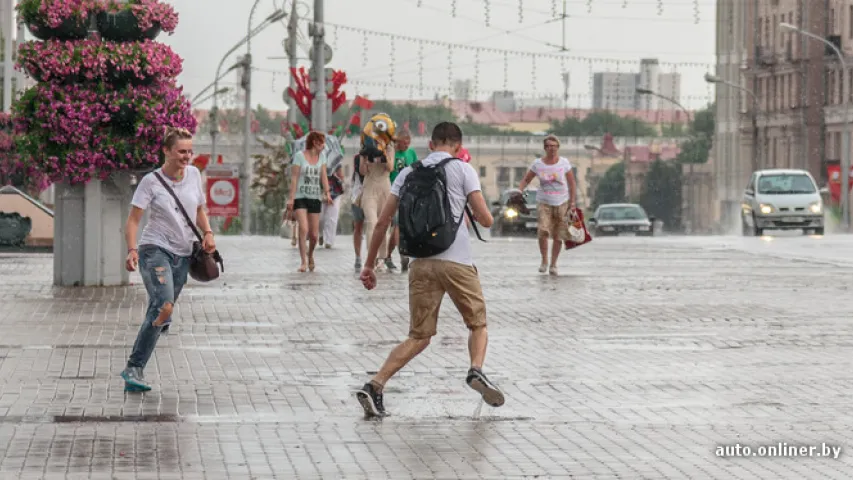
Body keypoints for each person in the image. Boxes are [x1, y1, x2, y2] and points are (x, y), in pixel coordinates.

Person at [355, 122, 503, 417]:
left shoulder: (409, 172)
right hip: (457, 261)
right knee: (477, 324)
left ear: (431, 144)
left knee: (419, 336)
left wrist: (370, 264)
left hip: (420, 262)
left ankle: (375, 385)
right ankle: (475, 369)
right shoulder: (463, 169)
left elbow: (383, 222)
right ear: (458, 147)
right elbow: (485, 219)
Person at [120, 126, 216, 392]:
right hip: (155, 248)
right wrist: (132, 250)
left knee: (162, 308)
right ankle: (134, 367)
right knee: (163, 305)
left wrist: (208, 232)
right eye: (181, 151)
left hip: (183, 254)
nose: (187, 157)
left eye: (190, 151)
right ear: (166, 151)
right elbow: (133, 220)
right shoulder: (151, 182)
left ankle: (162, 315)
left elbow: (198, 209)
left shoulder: (195, 175)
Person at [517, 134, 577, 276]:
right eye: (549, 146)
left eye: (554, 146)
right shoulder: (538, 164)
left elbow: (572, 183)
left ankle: (553, 264)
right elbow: (526, 179)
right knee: (543, 231)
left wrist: (572, 202)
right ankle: (544, 260)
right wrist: (519, 192)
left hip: (562, 202)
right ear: (545, 148)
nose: (551, 149)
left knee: (558, 235)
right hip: (544, 201)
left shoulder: (564, 163)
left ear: (558, 148)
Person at [287, 131, 333, 273]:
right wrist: (291, 199)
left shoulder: (322, 157)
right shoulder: (299, 157)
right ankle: (303, 262)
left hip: (315, 197)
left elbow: (324, 176)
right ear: (315, 142)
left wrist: (327, 192)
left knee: (313, 235)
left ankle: (311, 255)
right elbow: (294, 178)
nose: (324, 146)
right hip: (300, 197)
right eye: (322, 143)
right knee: (303, 229)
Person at [385, 129, 418, 272]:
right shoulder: (391, 152)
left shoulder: (411, 153)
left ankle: (388, 255)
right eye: (404, 142)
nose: (406, 145)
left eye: (408, 143)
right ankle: (402, 254)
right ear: (398, 141)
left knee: (399, 225)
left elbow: (416, 171)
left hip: (408, 193)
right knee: (397, 225)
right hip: (393, 192)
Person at [358, 139, 394, 272]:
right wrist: (366, 156)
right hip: (369, 187)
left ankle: (382, 258)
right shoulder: (365, 146)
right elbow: (362, 171)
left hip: (384, 187)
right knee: (372, 223)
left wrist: (384, 153)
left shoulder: (389, 146)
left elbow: (390, 168)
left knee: (384, 223)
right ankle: (371, 258)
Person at [319, 162, 345, 249]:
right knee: (320, 217)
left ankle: (329, 241)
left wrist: (338, 175)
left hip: (334, 191)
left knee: (332, 218)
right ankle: (320, 234)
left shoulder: (334, 158)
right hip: (320, 189)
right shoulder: (315, 157)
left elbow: (341, 176)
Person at [351, 153, 366, 271]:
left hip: (375, 194)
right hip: (358, 195)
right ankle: (357, 256)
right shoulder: (357, 157)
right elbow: (362, 173)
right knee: (358, 226)